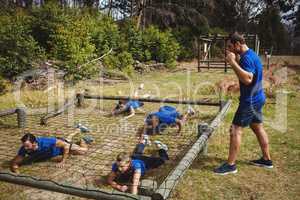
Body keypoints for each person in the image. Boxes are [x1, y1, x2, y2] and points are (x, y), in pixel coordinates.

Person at [214, 32, 273, 175]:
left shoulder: (246, 58)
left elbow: (248, 79)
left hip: (250, 101)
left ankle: (231, 165)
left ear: (237, 44)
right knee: (257, 127)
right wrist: (236, 85)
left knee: (235, 130)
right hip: (258, 98)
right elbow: (249, 78)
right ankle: (266, 160)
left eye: (230, 46)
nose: (229, 49)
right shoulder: (252, 55)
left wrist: (233, 62)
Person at [10, 132, 93, 173]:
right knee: (70, 141)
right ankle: (73, 137)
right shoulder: (24, 148)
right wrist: (16, 170)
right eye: (24, 145)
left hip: (62, 147)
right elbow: (15, 162)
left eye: (27, 146)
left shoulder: (46, 142)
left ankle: (83, 139)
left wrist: (63, 161)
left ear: (34, 143)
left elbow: (65, 146)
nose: (25, 148)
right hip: (57, 148)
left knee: (84, 151)